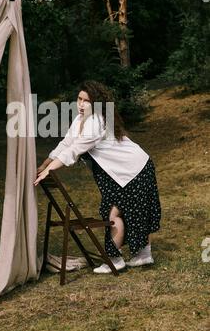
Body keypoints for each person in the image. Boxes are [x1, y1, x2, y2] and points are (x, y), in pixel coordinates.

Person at [34, 80, 162, 273]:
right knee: (123, 212)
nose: (81, 104)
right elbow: (66, 144)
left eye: (87, 101)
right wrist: (44, 165)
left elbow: (75, 150)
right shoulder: (80, 120)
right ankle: (141, 255)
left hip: (135, 169)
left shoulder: (97, 121)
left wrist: (50, 170)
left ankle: (115, 259)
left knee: (117, 213)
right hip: (119, 174)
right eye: (79, 99)